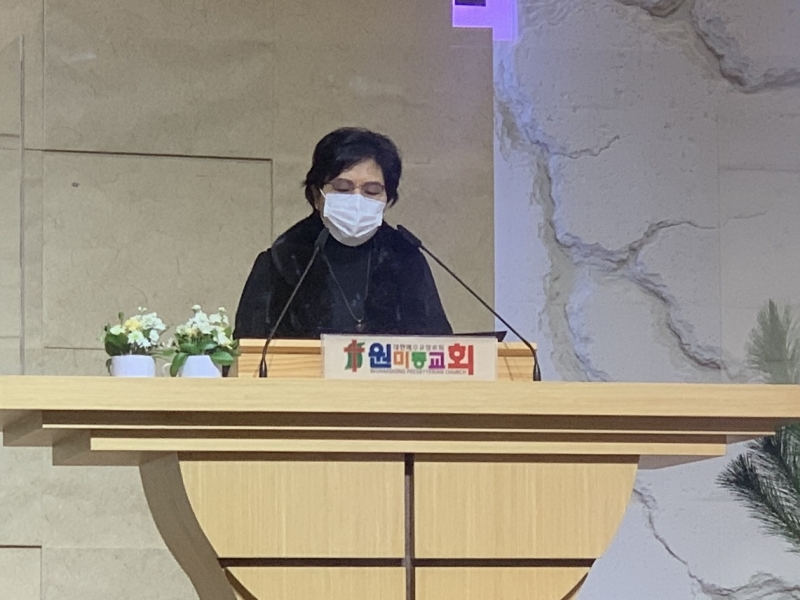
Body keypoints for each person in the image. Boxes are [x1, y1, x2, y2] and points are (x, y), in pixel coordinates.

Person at [234, 127, 453, 339]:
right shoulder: (281, 262)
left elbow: (438, 348)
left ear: (387, 200)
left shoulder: (406, 261)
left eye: (371, 191)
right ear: (317, 195)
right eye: (342, 189)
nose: (357, 200)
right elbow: (249, 349)